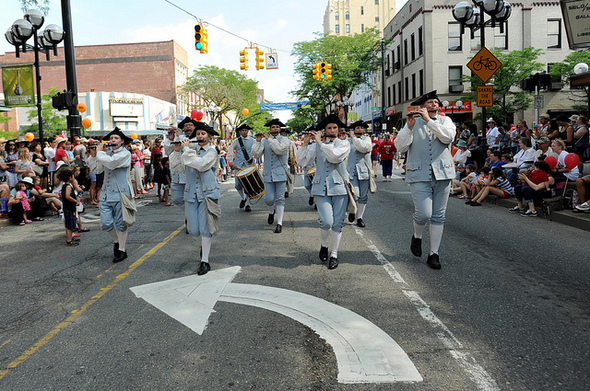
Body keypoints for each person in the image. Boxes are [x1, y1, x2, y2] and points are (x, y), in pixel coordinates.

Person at [394, 90, 455, 270]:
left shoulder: (446, 121)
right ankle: (417, 236)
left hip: (443, 173)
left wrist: (429, 121)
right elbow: (400, 147)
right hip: (419, 174)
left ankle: (434, 253)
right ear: (422, 107)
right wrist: (409, 128)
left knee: (439, 215)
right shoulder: (412, 123)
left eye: (436, 102)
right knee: (424, 214)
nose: (434, 104)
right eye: (429, 102)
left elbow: (447, 138)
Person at [296, 114, 351, 270]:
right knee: (326, 221)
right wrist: (305, 144)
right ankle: (324, 244)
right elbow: (301, 162)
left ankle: (334, 254)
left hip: (339, 188)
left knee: (338, 223)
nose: (332, 130)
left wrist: (319, 142)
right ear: (324, 129)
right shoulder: (316, 145)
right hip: (321, 187)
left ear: (338, 129)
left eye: (335, 128)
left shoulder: (344, 144)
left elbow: (334, 157)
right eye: (329, 128)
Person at [170, 122, 220, 276]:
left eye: (203, 134)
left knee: (205, 228)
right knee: (193, 230)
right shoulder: (189, 151)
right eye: (198, 134)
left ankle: (205, 260)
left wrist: (186, 150)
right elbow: (177, 168)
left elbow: (201, 165)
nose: (200, 136)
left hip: (207, 193)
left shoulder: (212, 152)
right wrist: (177, 151)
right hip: (191, 194)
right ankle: (204, 246)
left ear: (209, 136)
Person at [87, 127, 133, 263]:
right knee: (105, 223)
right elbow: (96, 169)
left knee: (120, 223)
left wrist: (100, 154)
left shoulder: (125, 154)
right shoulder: (106, 154)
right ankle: (117, 241)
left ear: (122, 141)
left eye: (116, 138)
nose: (112, 140)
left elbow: (112, 164)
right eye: (111, 138)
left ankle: (122, 250)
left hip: (121, 193)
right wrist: (94, 155)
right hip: (106, 193)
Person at [251, 118, 291, 233]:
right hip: (268, 173)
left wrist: (268, 139)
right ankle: (271, 211)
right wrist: (258, 142)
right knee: (269, 199)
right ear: (270, 129)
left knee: (280, 198)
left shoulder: (285, 140)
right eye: (273, 127)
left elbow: (279, 150)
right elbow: (256, 155)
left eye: (277, 127)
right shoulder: (264, 141)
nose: (275, 129)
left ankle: (279, 223)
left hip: (281, 173)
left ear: (280, 129)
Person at [346, 120, 372, 227]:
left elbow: (364, 148)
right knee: (354, 194)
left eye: (361, 128)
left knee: (363, 196)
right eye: (357, 128)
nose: (359, 129)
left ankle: (360, 218)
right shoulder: (347, 141)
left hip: (364, 172)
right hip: (351, 172)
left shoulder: (367, 139)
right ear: (354, 129)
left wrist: (354, 138)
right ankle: (352, 210)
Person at [226, 123, 255, 212]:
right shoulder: (236, 141)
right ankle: (243, 198)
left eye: (246, 130)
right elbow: (230, 151)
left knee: (248, 186)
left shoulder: (253, 140)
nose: (244, 132)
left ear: (248, 131)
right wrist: (231, 162)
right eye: (242, 130)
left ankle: (248, 204)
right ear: (240, 131)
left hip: (249, 166)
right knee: (237, 185)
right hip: (238, 166)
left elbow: (257, 151)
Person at [59, 168, 81, 246]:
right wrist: (75, 201)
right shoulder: (68, 186)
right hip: (69, 208)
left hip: (70, 207)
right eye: (72, 176)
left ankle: (71, 237)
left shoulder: (66, 185)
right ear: (69, 178)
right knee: (69, 224)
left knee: (72, 223)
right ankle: (69, 240)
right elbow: (67, 196)